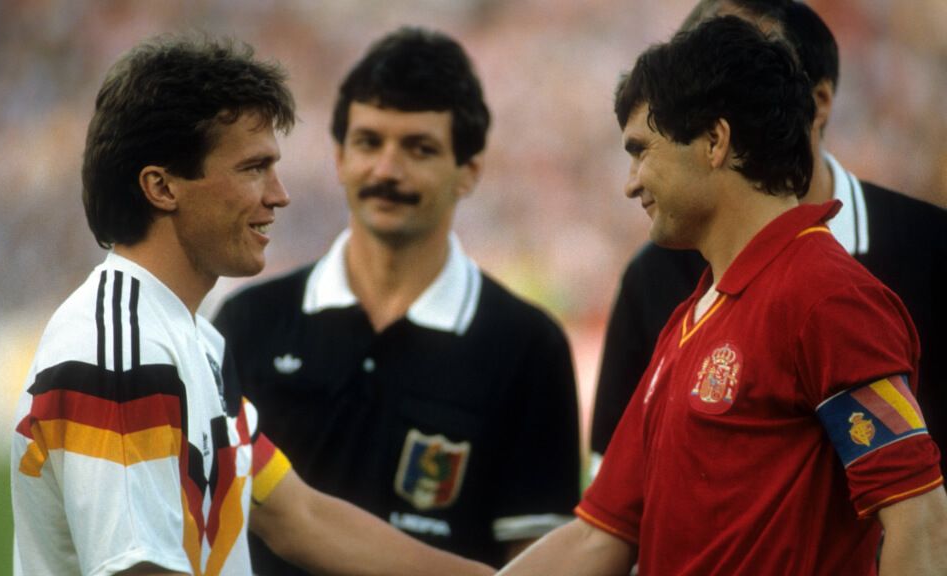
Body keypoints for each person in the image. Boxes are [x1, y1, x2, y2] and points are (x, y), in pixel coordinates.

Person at [9, 34, 494, 576]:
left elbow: (299, 516)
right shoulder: (119, 354)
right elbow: (139, 569)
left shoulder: (195, 340)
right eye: (253, 168)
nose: (279, 194)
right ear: (162, 187)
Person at [499, 16, 947, 575]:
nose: (630, 181)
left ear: (715, 140)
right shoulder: (689, 319)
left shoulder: (827, 296)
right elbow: (599, 537)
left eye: (642, 151)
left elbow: (919, 518)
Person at [213, 27, 581, 573]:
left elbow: (532, 560)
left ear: (470, 172)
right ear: (338, 156)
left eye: (419, 148)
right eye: (369, 142)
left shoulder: (527, 344)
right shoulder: (249, 321)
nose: (387, 170)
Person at [591, 0, 947, 479]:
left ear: (817, 103)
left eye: (750, 69)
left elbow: (914, 506)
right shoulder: (656, 276)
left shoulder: (928, 252)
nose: (720, 104)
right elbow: (612, 512)